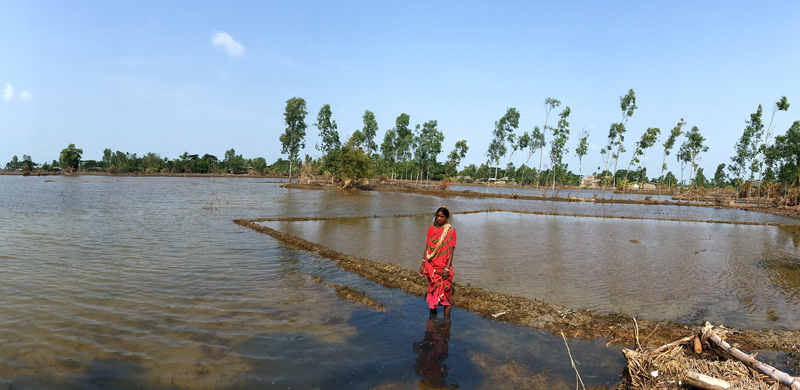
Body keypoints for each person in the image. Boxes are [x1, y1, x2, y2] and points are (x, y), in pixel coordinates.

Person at [418, 206, 456, 317]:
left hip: (443, 267)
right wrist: (422, 264)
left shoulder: (451, 232)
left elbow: (451, 252)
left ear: (447, 218)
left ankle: (446, 322)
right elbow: (427, 247)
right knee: (433, 292)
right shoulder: (431, 229)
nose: (439, 218)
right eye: (438, 216)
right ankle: (432, 321)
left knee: (445, 294)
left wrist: (447, 269)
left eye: (442, 217)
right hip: (432, 266)